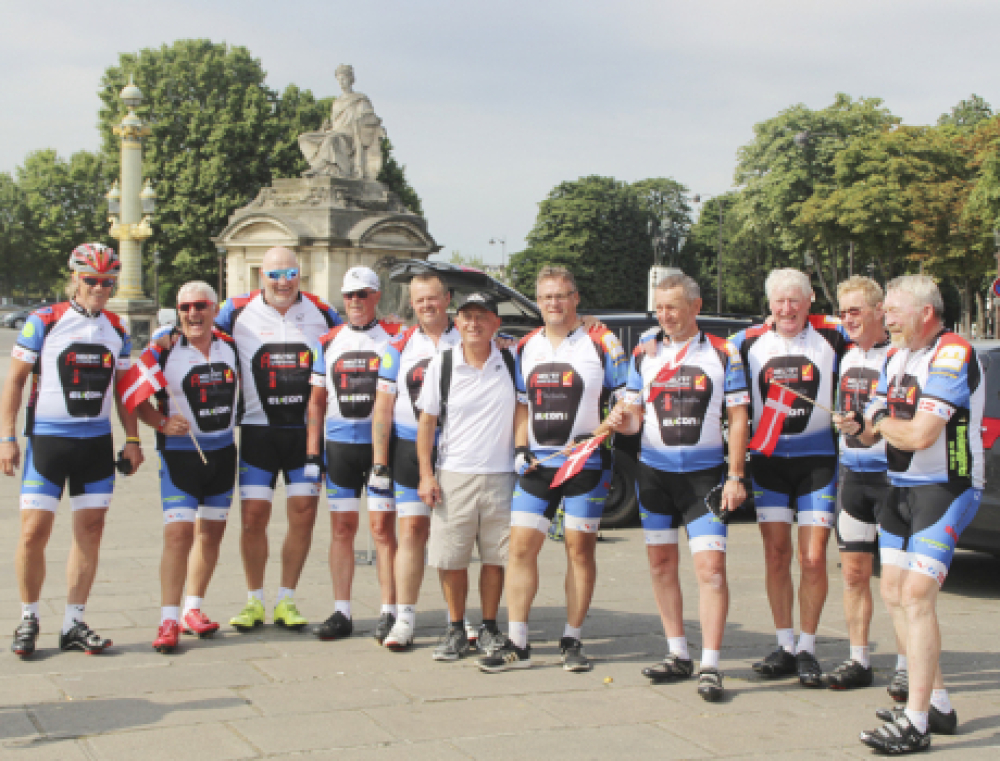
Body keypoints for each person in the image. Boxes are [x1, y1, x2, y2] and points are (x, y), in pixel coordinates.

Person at [842, 275, 981, 754]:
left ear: (926, 312)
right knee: (895, 593)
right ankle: (937, 704)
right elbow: (872, 432)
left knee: (918, 595)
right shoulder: (896, 357)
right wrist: (858, 426)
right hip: (898, 488)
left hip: (947, 487)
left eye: (895, 310)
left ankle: (916, 723)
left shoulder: (952, 351)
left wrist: (877, 423)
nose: (887, 317)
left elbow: (921, 434)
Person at [606, 274, 748, 701]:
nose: (665, 316)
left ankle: (710, 664)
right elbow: (633, 415)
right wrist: (621, 419)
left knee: (711, 571)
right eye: (660, 308)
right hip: (654, 475)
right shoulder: (644, 353)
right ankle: (677, 653)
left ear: (695, 306)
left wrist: (737, 475)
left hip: (704, 477)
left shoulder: (724, 354)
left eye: (673, 307)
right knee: (662, 566)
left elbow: (738, 418)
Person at [478, 265, 626, 673]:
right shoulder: (526, 346)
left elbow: (624, 400)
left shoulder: (602, 341)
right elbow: (523, 403)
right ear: (538, 302)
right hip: (538, 464)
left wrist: (600, 431)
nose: (554, 303)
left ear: (576, 298)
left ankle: (572, 638)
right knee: (522, 548)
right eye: (546, 297)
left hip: (587, 462)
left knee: (579, 550)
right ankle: (518, 640)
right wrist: (522, 448)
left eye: (562, 295)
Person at [1, 244, 142, 657]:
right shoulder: (43, 320)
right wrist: (7, 438)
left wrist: (133, 440)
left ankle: (73, 622)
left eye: (108, 282)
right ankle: (28, 617)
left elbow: (124, 391)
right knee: (33, 533)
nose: (100, 288)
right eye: (92, 280)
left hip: (96, 443)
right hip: (48, 440)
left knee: (91, 531)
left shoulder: (117, 328)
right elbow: (14, 381)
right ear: (75, 279)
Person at [728, 268, 848, 687]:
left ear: (810, 299)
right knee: (777, 555)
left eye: (795, 299)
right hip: (769, 463)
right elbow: (697, 346)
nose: (787, 308)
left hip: (817, 463)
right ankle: (784, 644)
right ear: (769, 305)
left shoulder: (832, 337)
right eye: (779, 301)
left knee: (813, 558)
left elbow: (872, 332)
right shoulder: (746, 342)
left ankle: (809, 648)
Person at [218, 246, 341, 632]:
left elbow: (357, 339)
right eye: (274, 274)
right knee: (253, 519)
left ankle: (287, 598)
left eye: (290, 273)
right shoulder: (235, 311)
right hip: (257, 432)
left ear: (299, 275)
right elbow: (199, 333)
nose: (282, 281)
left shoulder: (322, 312)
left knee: (302, 517)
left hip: (306, 436)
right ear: (260, 276)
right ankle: (254, 599)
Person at [134, 281, 240, 653]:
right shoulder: (164, 350)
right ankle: (167, 617)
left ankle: (192, 609)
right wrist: (161, 424)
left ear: (214, 309)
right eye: (185, 308)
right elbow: (133, 396)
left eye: (200, 306)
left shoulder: (231, 347)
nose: (193, 314)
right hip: (180, 455)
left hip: (223, 453)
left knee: (211, 535)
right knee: (178, 535)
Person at [413, 292, 517, 660]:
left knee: (495, 559)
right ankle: (455, 629)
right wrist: (426, 474)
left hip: (502, 474)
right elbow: (426, 424)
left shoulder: (511, 359)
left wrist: (589, 323)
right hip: (454, 474)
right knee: (451, 559)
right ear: (457, 323)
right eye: (467, 316)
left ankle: (489, 627)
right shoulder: (442, 365)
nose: (474, 323)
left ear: (496, 323)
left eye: (482, 316)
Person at [306, 266, 401, 641]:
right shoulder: (327, 341)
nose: (355, 302)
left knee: (382, 531)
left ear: (377, 296)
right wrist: (313, 454)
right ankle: (341, 611)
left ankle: (389, 610)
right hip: (340, 445)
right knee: (342, 529)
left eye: (363, 294)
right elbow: (316, 402)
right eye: (349, 296)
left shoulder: (396, 337)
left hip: (381, 448)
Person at [371, 273, 466, 650]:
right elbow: (383, 408)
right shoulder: (397, 347)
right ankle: (403, 616)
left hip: (458, 449)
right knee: (411, 532)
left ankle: (457, 618)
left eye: (434, 298)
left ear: (447, 298)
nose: (427, 305)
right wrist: (380, 463)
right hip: (410, 448)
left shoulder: (471, 337)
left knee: (455, 536)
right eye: (419, 300)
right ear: (412, 303)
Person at [824, 276, 896, 690]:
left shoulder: (899, 356)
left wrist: (868, 428)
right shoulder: (847, 356)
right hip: (852, 474)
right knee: (854, 574)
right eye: (842, 311)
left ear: (878, 313)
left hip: (891, 477)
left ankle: (906, 665)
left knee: (896, 582)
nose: (846, 319)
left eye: (855, 311)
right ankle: (858, 658)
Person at [298, 64, 385, 179]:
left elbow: (368, 120)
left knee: (331, 139)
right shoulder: (336, 103)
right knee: (304, 138)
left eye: (343, 79)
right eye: (339, 80)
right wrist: (325, 129)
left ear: (351, 79)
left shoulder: (360, 99)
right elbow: (336, 125)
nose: (341, 82)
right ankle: (322, 167)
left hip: (350, 136)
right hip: (335, 133)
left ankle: (324, 168)